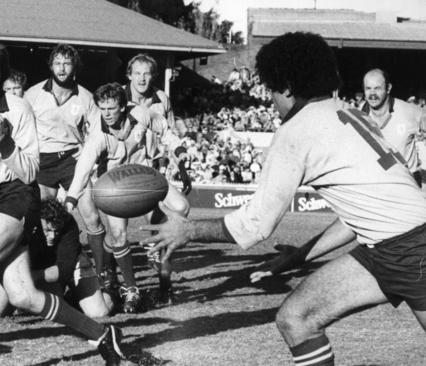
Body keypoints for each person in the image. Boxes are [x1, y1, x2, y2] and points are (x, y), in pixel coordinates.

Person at [141, 32, 426, 366]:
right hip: (390, 248)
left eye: (271, 88)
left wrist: (186, 231)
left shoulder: (296, 131)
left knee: (297, 317)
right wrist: (298, 258)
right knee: (296, 317)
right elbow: (358, 216)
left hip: (412, 251)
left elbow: (254, 225)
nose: (272, 99)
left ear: (287, 86)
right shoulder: (349, 112)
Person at [0, 32, 124, 366]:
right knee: (24, 295)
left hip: (17, 195)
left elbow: (31, 172)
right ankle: (103, 336)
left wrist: (5, 142)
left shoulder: (18, 108)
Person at [250, 68, 426, 283]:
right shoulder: (356, 116)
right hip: (382, 203)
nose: (372, 93)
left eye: (377, 88)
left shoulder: (412, 113)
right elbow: (349, 224)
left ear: (388, 88)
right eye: (367, 88)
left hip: (412, 196)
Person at [65, 83, 189, 312]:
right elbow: (82, 170)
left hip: (144, 175)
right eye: (102, 109)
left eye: (111, 108)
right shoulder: (97, 136)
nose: (107, 114)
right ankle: (131, 289)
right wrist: (71, 199)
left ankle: (157, 247)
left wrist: (179, 151)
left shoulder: (140, 114)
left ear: (123, 106)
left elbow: (165, 129)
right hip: (114, 187)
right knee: (119, 234)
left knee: (181, 206)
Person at [24, 44, 111, 299]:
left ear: (75, 66)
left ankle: (103, 271)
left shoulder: (86, 98)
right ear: (51, 65)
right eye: (58, 63)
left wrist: (90, 160)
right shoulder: (33, 94)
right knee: (39, 219)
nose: (62, 68)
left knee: (92, 216)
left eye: (67, 63)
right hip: (43, 162)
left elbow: (96, 134)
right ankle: (42, 272)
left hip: (73, 160)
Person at [125, 53, 191, 304]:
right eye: (137, 73)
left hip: (153, 171)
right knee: (120, 232)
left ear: (153, 76)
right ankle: (115, 286)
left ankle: (164, 287)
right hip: (125, 172)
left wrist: (182, 167)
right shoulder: (118, 98)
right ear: (129, 75)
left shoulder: (162, 99)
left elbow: (169, 134)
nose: (142, 78)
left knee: (180, 208)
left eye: (147, 73)